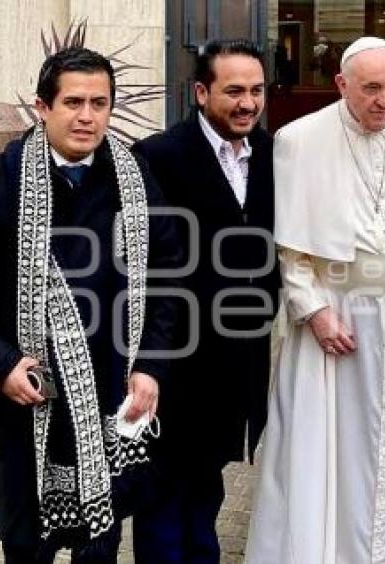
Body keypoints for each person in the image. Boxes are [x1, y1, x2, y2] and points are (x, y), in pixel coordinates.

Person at [0, 47, 181, 563]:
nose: (87, 116)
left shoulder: (135, 181)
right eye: (74, 102)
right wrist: (0, 365)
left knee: (101, 543)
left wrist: (151, 365)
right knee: (26, 544)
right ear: (43, 107)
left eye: (99, 103)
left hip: (112, 394)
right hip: (28, 401)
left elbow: (169, 279)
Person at [245, 36, 385, 563]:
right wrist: (316, 311)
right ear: (342, 84)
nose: (384, 102)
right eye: (371, 89)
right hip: (339, 320)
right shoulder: (300, 141)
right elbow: (291, 249)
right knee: (331, 448)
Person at [132, 39, 280, 563]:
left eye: (257, 91)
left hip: (239, 359)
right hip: (176, 357)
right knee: (163, 488)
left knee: (207, 483)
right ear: (201, 92)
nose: (247, 103)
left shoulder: (273, 154)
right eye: (233, 91)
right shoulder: (157, 156)